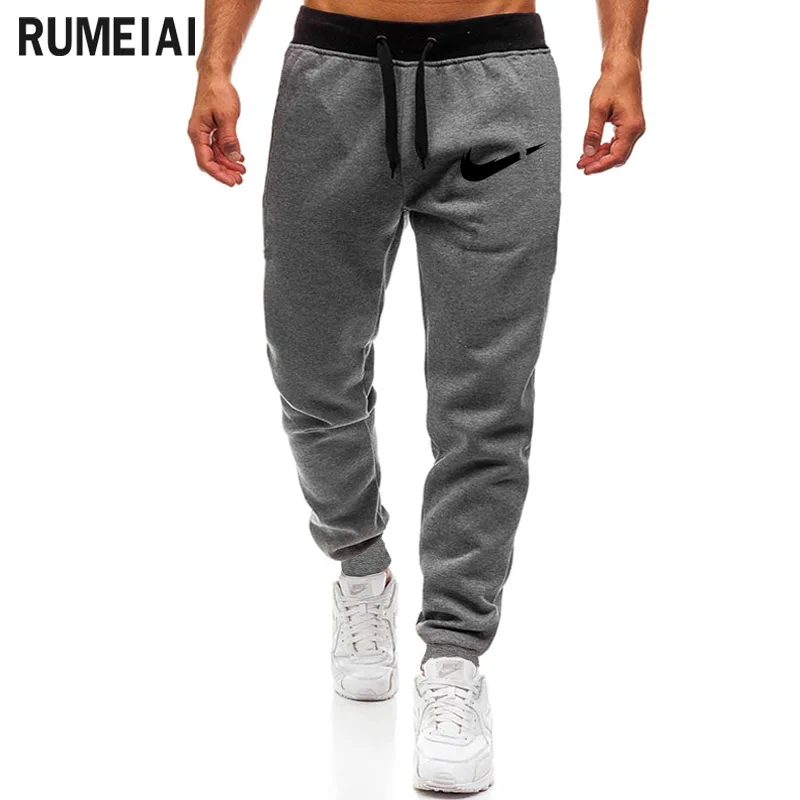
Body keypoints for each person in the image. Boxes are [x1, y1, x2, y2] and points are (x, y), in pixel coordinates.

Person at [188, 0, 647, 791]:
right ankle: (361, 567)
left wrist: (623, 56)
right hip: (333, 76)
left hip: (500, 80)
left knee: (487, 398)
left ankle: (454, 659)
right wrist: (214, 65)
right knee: (309, 366)